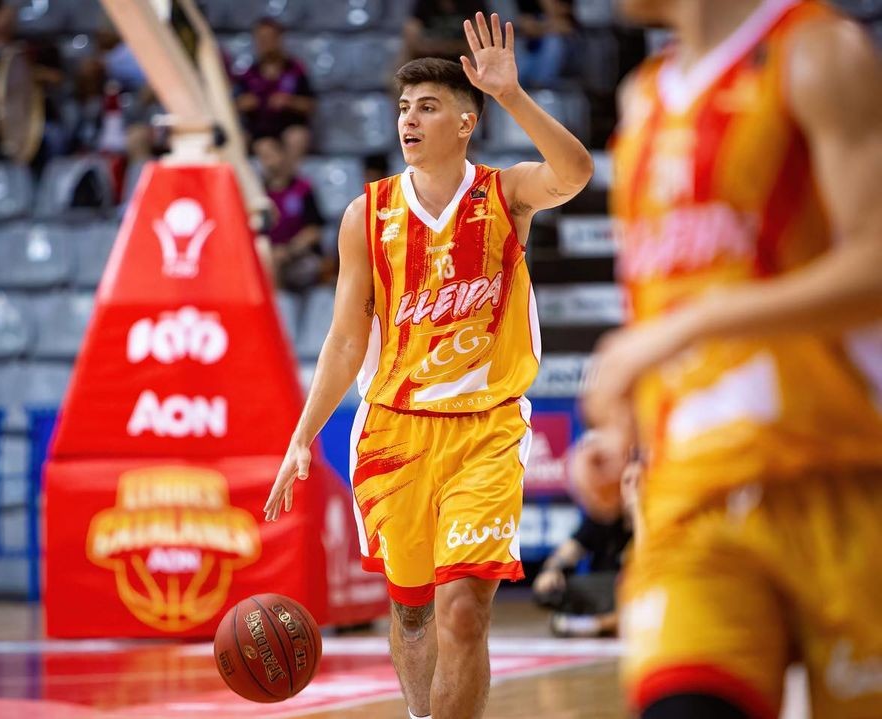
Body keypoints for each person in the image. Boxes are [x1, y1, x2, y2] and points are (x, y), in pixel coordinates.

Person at [264, 13, 592, 718]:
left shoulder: (505, 194)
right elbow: (345, 340)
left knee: (464, 609)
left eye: (428, 106)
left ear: (466, 123)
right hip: (394, 432)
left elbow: (576, 173)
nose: (409, 119)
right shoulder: (367, 215)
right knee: (412, 614)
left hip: (486, 428)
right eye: (404, 107)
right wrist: (301, 436)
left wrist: (511, 95)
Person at [571, 1, 882, 717]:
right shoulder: (642, 96)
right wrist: (624, 431)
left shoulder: (819, 53)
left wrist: (698, 323)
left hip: (836, 478)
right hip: (693, 499)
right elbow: (664, 291)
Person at [533, 459, 639, 638]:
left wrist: (636, 512)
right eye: (625, 482)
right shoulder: (602, 516)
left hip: (636, 588)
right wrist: (551, 569)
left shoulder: (653, 517)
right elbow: (570, 549)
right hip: (603, 588)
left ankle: (593, 625)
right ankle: (598, 622)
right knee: (549, 589)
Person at [233, 18, 315, 165]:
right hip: (260, 133)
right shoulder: (248, 74)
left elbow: (310, 105)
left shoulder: (295, 70)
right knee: (263, 148)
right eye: (261, 39)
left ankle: (286, 178)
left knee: (297, 137)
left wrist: (289, 101)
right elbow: (235, 105)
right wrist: (245, 103)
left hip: (289, 127)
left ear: (279, 39)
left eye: (269, 37)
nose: (265, 43)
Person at [256, 136, 329, 292]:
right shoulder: (258, 195)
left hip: (299, 256)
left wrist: (288, 251)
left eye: (269, 155)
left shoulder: (303, 189)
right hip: (269, 256)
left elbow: (314, 231)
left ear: (282, 153)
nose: (267, 161)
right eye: (262, 156)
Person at [513, 0, 575, 88]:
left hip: (544, 54)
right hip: (520, 48)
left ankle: (542, 86)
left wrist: (540, 27)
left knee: (554, 40)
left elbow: (565, 26)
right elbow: (524, 26)